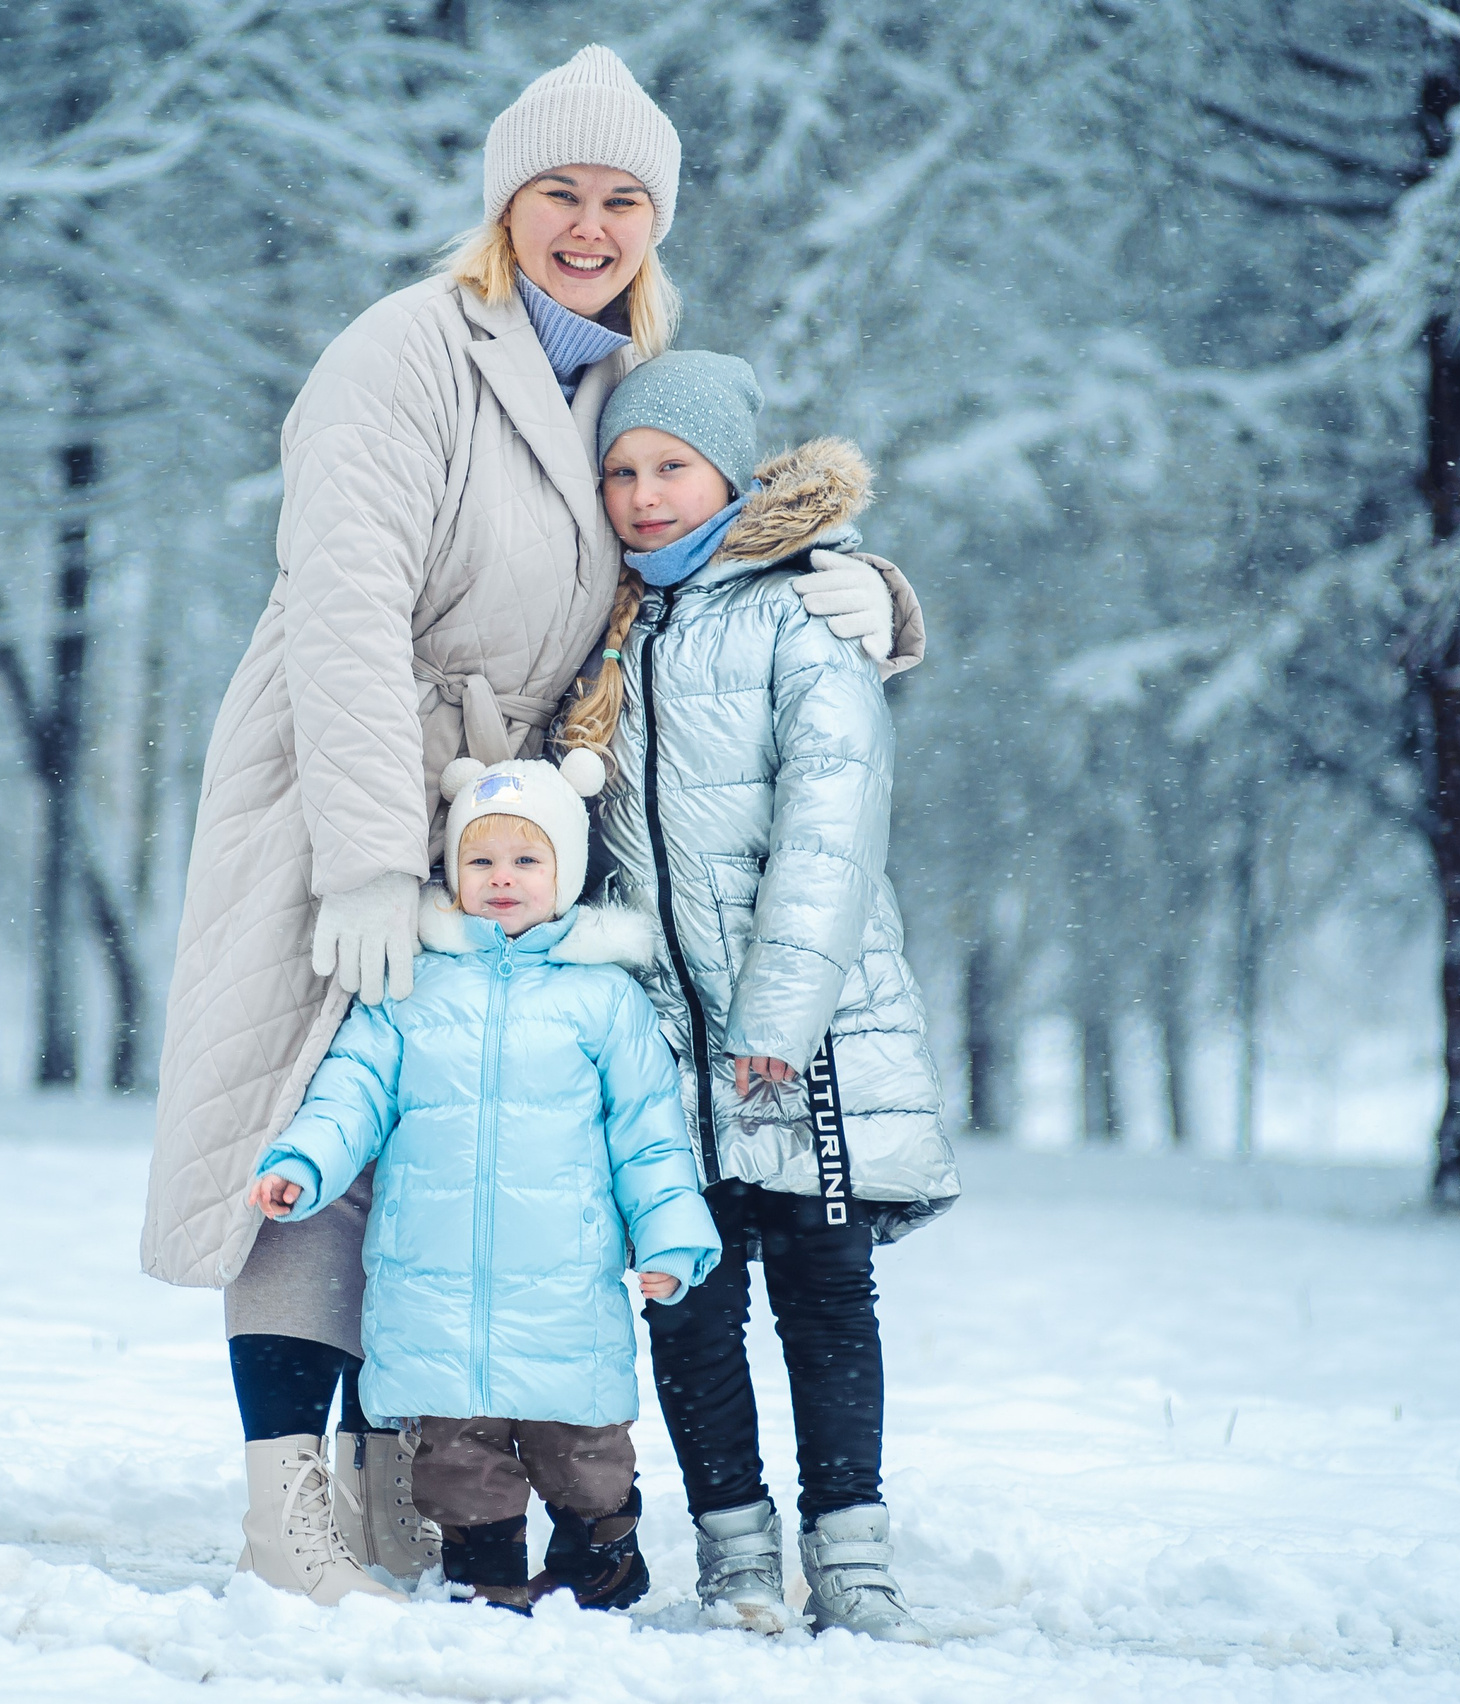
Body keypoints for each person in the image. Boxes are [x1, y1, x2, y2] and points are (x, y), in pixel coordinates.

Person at [137, 46, 908, 1602]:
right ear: (506, 200)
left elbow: (705, 542)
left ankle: (386, 1485)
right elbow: (343, 605)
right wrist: (363, 852)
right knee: (316, 1127)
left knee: (446, 1145)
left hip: (510, 813)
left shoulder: (619, 379)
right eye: (561, 190)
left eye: (626, 198)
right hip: (344, 772)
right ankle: (285, 1500)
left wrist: (870, 598)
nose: (591, 222)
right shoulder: (406, 349)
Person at [558, 350, 961, 1643]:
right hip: (664, 1040)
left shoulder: (808, 614)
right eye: (621, 471)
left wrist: (778, 1023)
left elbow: (832, 830)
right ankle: (733, 1550)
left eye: (670, 467)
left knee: (825, 1287)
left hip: (809, 1030)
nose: (643, 494)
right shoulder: (611, 627)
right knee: (690, 1289)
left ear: (729, 473)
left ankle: (852, 1551)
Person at [245, 753, 721, 1611]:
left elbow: (648, 1134)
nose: (503, 879)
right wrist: (304, 1163)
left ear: (567, 873)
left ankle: (602, 1553)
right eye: (481, 861)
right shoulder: (410, 988)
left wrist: (672, 1237)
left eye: (526, 860)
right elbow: (350, 1089)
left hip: (564, 1291)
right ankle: (484, 1572)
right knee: (456, 1458)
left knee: (582, 1453)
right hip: (437, 1288)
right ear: (453, 872)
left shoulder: (604, 1001)